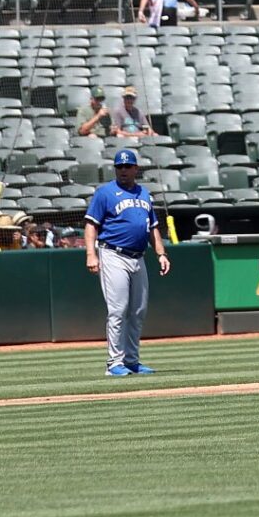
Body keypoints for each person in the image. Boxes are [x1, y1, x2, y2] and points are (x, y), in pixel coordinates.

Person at [87, 148, 171, 376]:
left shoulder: (144, 193)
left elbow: (152, 227)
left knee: (138, 310)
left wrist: (161, 254)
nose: (123, 170)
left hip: (138, 257)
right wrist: (90, 254)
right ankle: (114, 363)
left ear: (136, 168)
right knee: (118, 310)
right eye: (119, 167)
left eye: (127, 166)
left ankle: (132, 360)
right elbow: (91, 225)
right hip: (113, 254)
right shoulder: (105, 193)